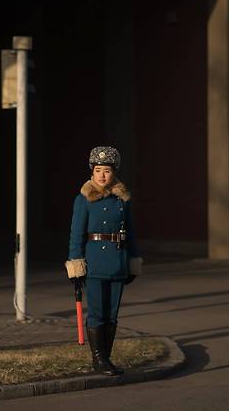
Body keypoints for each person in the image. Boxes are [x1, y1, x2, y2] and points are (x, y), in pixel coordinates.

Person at [65, 146, 142, 376]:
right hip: (95, 264)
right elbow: (76, 234)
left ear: (114, 172)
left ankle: (106, 359)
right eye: (98, 170)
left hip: (118, 262)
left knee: (112, 314)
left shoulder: (123, 200)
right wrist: (75, 264)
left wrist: (133, 261)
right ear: (92, 171)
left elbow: (131, 233)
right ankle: (98, 360)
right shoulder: (83, 199)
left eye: (106, 170)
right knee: (97, 313)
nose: (101, 175)